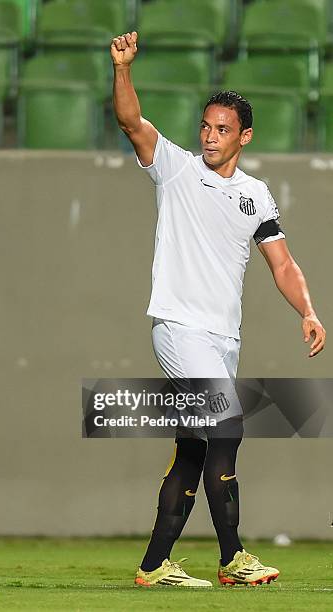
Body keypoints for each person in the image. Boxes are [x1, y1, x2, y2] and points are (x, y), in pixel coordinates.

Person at [111, 31, 326, 587]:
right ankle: (233, 558)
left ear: (244, 136)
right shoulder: (177, 170)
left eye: (222, 129)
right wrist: (123, 69)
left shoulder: (256, 195)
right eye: (205, 126)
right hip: (181, 330)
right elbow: (133, 123)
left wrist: (308, 310)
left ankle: (154, 567)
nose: (209, 136)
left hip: (223, 338)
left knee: (191, 449)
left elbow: (282, 263)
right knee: (227, 430)